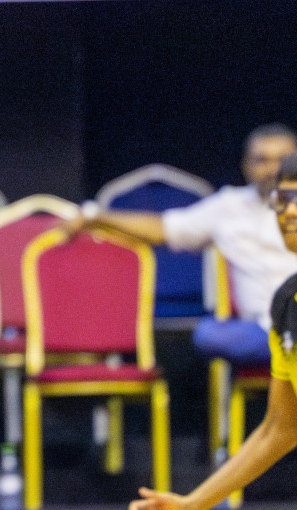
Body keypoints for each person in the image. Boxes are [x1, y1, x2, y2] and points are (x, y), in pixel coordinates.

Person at [128, 152, 297, 510]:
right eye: (283, 201)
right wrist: (194, 504)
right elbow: (281, 428)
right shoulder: (287, 304)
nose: (290, 212)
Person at [70, 124, 297, 367]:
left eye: (282, 160)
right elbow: (163, 229)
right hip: (260, 331)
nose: (273, 169)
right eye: (262, 160)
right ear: (246, 166)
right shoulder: (228, 207)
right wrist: (95, 216)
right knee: (209, 334)